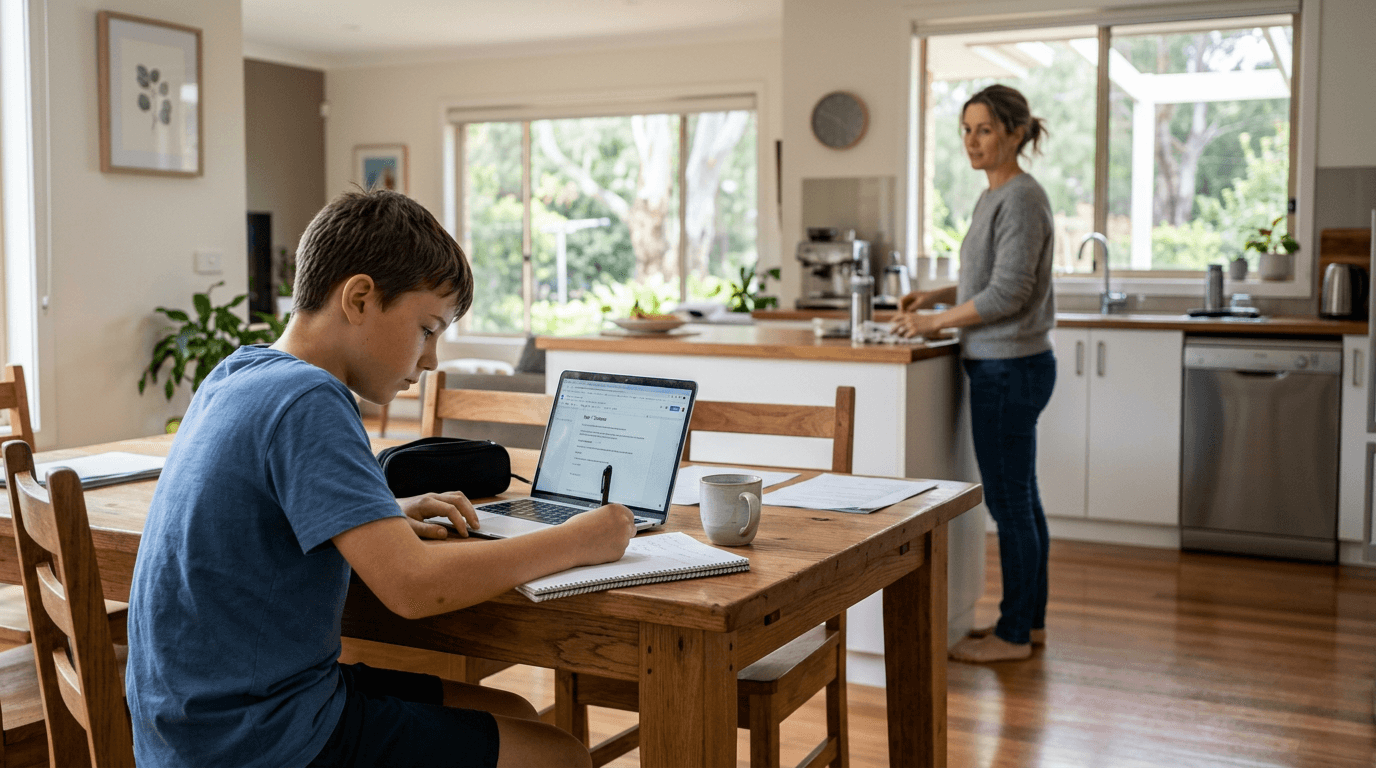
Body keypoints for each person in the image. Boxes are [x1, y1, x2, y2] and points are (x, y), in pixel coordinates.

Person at [126, 189, 632, 767]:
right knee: (561, 757)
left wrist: (382, 514)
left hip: (196, 723)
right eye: (427, 329)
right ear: (361, 298)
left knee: (513, 710)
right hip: (258, 738)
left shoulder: (240, 371)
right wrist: (579, 539)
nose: (432, 358)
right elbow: (415, 588)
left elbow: (270, 507)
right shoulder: (310, 398)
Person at [893, 84, 1056, 663]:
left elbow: (1010, 293)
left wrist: (936, 322)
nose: (972, 140)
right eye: (966, 129)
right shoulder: (994, 196)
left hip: (1008, 368)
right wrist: (935, 295)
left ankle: (1013, 635)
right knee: (1022, 500)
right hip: (1006, 366)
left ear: (1015, 132)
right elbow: (988, 279)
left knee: (1010, 505)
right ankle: (1026, 623)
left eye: (984, 129)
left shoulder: (1020, 197)